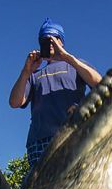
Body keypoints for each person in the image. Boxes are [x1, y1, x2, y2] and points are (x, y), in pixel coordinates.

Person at [8, 19, 101, 167]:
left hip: (72, 133)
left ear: (61, 41)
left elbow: (99, 83)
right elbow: (14, 102)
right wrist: (26, 71)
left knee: (72, 182)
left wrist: (68, 58)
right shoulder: (34, 74)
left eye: (52, 39)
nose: (48, 43)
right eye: (44, 40)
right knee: (41, 188)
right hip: (39, 141)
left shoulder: (76, 64)